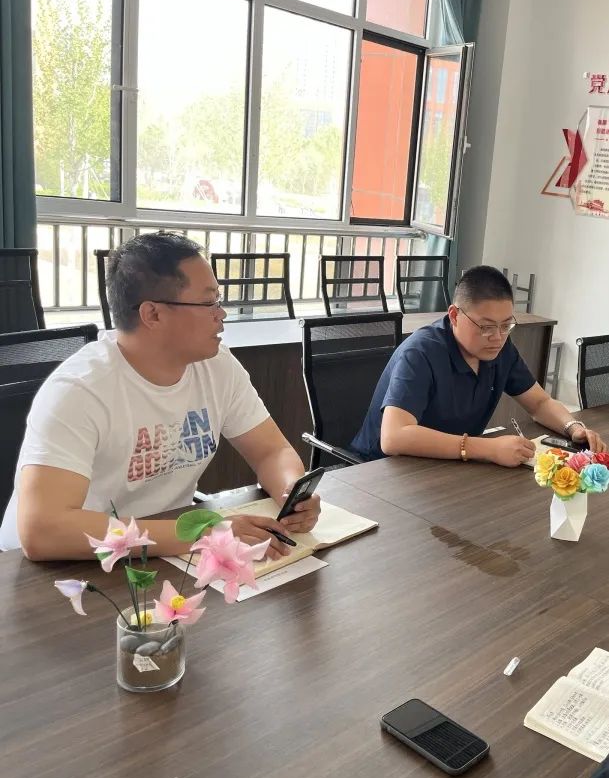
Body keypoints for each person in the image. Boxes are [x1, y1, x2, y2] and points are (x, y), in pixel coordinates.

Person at [0, 232, 319, 560]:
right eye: (208, 302)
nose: (221, 313)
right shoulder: (79, 390)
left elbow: (271, 451)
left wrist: (292, 492)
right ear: (152, 314)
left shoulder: (217, 366)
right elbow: (43, 530)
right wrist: (205, 533)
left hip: (159, 549)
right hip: (55, 565)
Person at [352, 265, 606, 465]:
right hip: (383, 470)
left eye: (506, 325)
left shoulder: (500, 350)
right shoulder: (421, 352)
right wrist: (487, 448)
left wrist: (572, 427)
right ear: (454, 315)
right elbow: (394, 437)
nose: (497, 337)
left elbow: (539, 403)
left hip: (445, 466)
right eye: (486, 327)